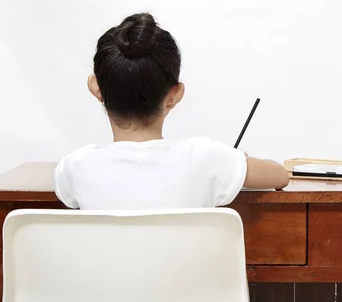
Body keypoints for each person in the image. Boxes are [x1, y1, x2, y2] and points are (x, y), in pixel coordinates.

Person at [55, 13, 289, 209]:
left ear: (95, 87)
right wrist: (238, 160)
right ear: (175, 94)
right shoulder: (207, 157)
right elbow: (280, 175)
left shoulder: (75, 167)